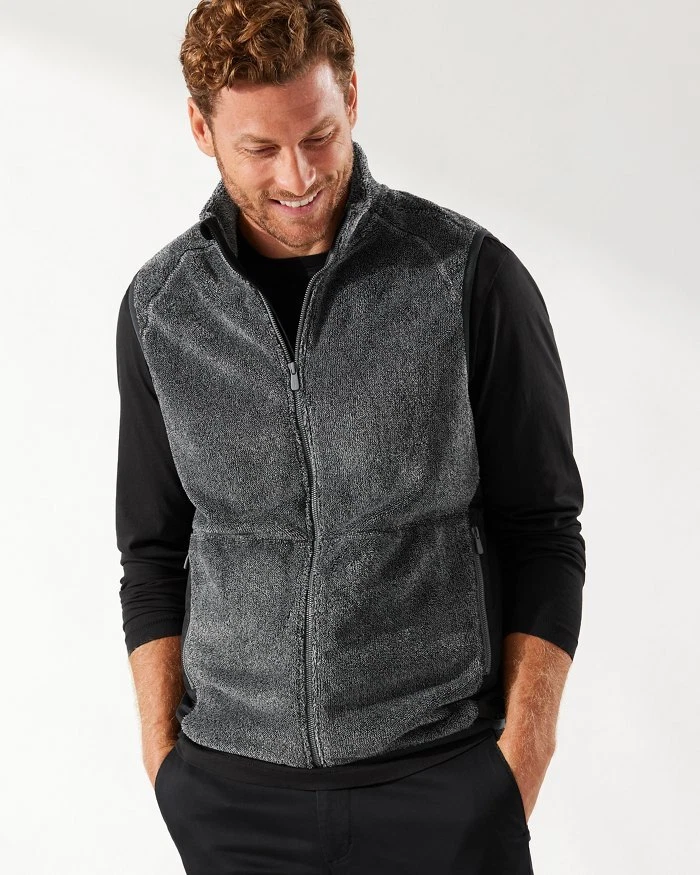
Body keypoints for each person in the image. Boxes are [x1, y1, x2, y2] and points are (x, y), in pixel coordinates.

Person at [115, 1, 585, 872]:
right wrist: (167, 764)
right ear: (201, 130)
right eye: (260, 148)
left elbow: (546, 531)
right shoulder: (161, 312)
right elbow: (152, 551)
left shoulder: (466, 278)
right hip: (233, 798)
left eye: (319, 136)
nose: (298, 176)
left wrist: (517, 763)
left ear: (353, 97)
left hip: (440, 785)